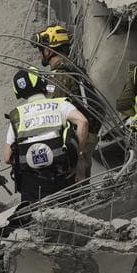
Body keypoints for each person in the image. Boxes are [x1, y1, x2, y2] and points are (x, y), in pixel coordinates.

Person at [1, 68, 89, 203]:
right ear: (43, 83)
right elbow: (83, 122)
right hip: (63, 177)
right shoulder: (61, 104)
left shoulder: (16, 115)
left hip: (33, 187)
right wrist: (77, 157)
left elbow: (7, 158)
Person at [29, 25, 103, 180]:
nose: (39, 53)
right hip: (87, 133)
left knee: (76, 184)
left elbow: (53, 109)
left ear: (49, 50)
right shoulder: (75, 69)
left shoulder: (60, 75)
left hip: (78, 136)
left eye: (41, 49)